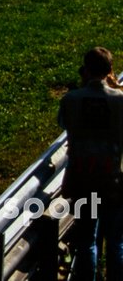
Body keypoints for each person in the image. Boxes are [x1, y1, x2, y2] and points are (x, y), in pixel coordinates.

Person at [59, 46, 123, 281]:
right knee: (116, 240)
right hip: (114, 179)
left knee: (87, 240)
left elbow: (63, 123)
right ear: (109, 70)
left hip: (83, 177)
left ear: (85, 69)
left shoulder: (71, 99)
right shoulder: (120, 100)